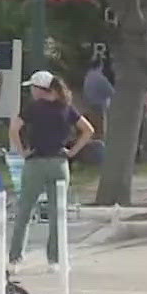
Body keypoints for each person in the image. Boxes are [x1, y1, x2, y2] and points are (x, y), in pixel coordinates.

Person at [7, 71, 94, 264]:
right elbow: (88, 130)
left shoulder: (32, 108)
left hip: (35, 161)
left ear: (40, 89)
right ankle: (54, 259)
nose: (31, 92)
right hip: (59, 162)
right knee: (57, 213)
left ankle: (15, 257)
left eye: (32, 88)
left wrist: (22, 151)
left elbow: (14, 128)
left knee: (25, 211)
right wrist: (72, 151)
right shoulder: (66, 107)